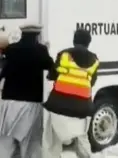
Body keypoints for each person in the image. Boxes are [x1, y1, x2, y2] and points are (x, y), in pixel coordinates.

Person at [0, 24, 54, 158]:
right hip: (30, 102)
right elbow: (51, 67)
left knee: (2, 140)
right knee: (30, 142)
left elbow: (1, 70)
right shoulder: (40, 50)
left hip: (8, 101)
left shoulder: (11, 49)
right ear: (37, 36)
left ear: (22, 34)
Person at [42, 29, 99, 158]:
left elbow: (51, 75)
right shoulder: (95, 60)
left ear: (74, 40)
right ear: (88, 43)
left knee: (51, 138)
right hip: (82, 108)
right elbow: (92, 82)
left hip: (58, 106)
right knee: (83, 136)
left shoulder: (64, 54)